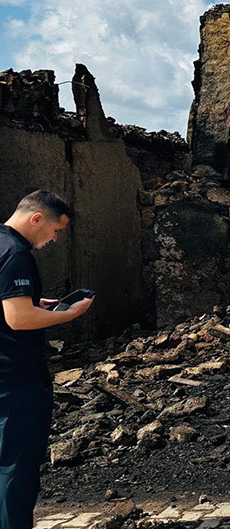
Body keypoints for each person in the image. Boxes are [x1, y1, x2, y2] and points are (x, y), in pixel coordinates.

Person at [0, 190, 92, 529]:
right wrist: (70, 314)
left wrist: (31, 300)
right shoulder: (16, 253)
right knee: (15, 468)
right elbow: (18, 319)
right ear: (36, 218)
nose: (54, 239)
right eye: (55, 230)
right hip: (16, 378)